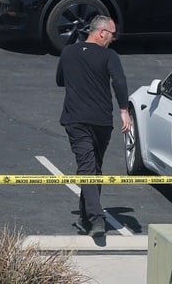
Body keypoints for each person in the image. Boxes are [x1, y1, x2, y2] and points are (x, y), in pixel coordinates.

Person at [56, 15, 132, 237]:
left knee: (93, 169)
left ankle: (84, 216)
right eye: (112, 35)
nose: (113, 39)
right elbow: (119, 80)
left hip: (78, 119)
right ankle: (97, 219)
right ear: (101, 33)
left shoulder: (68, 52)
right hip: (99, 120)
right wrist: (124, 110)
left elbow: (60, 79)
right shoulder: (109, 56)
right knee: (89, 167)